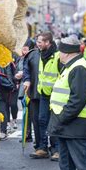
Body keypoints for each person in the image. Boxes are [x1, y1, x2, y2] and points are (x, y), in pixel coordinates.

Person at [49, 36, 86, 170]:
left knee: (82, 161)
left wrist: (62, 118)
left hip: (75, 122)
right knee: (66, 160)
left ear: (67, 52)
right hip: (67, 122)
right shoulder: (71, 65)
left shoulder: (79, 67)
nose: (59, 54)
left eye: (60, 51)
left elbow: (78, 100)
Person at [26, 32, 61, 161]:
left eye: (40, 41)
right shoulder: (40, 54)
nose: (38, 44)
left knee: (54, 122)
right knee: (42, 120)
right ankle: (42, 148)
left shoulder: (58, 56)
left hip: (56, 95)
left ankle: (56, 149)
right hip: (44, 94)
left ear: (48, 42)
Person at [17, 39, 40, 145]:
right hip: (24, 89)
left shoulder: (34, 57)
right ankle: (27, 134)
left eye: (25, 49)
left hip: (32, 89)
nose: (23, 52)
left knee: (33, 114)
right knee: (26, 113)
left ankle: (34, 137)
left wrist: (25, 76)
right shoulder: (21, 58)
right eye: (22, 49)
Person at [0, 64, 16, 140]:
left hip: (1, 91)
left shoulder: (4, 63)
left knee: (2, 111)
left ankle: (3, 131)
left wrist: (10, 86)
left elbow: (9, 76)